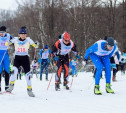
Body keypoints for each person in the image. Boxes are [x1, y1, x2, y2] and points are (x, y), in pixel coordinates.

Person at [5, 26, 38, 97]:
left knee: (28, 76)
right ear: (19, 34)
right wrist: (7, 43)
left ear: (26, 35)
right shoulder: (15, 39)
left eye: (24, 34)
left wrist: (36, 45)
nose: (23, 35)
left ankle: (29, 90)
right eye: (22, 34)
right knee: (14, 72)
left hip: (25, 59)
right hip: (17, 58)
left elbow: (34, 44)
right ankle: (11, 86)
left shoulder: (28, 40)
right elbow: (9, 42)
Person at [0, 26, 13, 93]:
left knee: (7, 70)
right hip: (0, 54)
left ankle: (7, 87)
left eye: (2, 32)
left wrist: (11, 43)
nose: (1, 33)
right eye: (0, 32)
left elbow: (14, 41)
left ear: (5, 32)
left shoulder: (8, 36)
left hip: (5, 54)